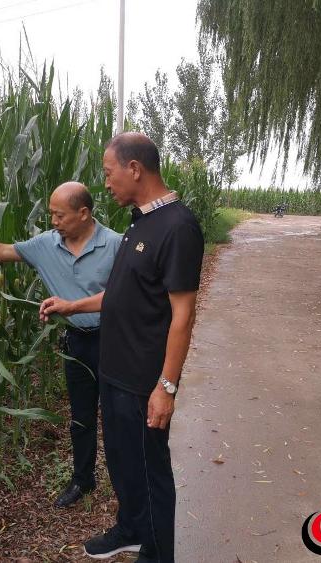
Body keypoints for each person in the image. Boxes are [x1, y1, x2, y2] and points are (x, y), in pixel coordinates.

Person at [40, 133, 204, 562]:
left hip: (143, 378)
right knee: (123, 463)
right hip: (114, 372)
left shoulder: (178, 227)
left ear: (135, 169)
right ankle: (131, 528)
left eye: (109, 173)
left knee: (151, 473)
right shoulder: (139, 222)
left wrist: (166, 387)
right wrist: (72, 305)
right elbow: (122, 292)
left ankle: (156, 554)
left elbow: (183, 316)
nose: (106, 183)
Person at [0, 181, 121, 508]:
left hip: (113, 340)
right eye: (51, 214)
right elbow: (1, 251)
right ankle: (83, 480)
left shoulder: (114, 245)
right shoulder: (46, 245)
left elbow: (124, 295)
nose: (53, 221)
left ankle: (124, 484)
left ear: (84, 213)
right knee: (81, 418)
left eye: (60, 215)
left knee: (116, 416)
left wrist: (72, 306)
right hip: (77, 343)